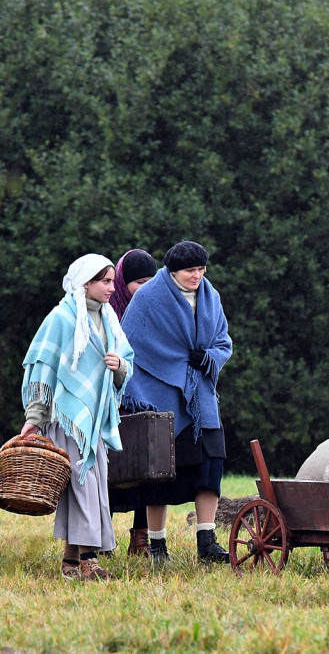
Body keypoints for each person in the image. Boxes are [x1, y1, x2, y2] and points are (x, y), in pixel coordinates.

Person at [19, 254, 134, 580]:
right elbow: (44, 368)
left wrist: (119, 368)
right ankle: (89, 561)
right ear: (85, 282)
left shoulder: (110, 319)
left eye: (113, 280)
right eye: (105, 281)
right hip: (65, 418)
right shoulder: (62, 319)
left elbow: (127, 361)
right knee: (83, 485)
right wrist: (34, 418)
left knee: (88, 487)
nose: (112, 287)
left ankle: (71, 563)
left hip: (95, 420)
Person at [120, 241, 232, 565]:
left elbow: (224, 340)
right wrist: (171, 366)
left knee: (211, 464)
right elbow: (130, 342)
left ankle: (207, 542)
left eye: (201, 269)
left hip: (202, 397)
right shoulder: (147, 297)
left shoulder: (211, 297)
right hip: (160, 397)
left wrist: (209, 357)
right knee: (160, 471)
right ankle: (157, 546)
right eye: (190, 271)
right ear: (172, 271)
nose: (197, 276)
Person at [106, 249, 158, 556]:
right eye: (139, 281)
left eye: (152, 280)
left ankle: (141, 538)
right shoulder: (107, 311)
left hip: (145, 401)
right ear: (124, 282)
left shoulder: (157, 309)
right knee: (109, 472)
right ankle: (101, 538)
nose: (146, 288)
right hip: (111, 403)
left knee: (147, 468)